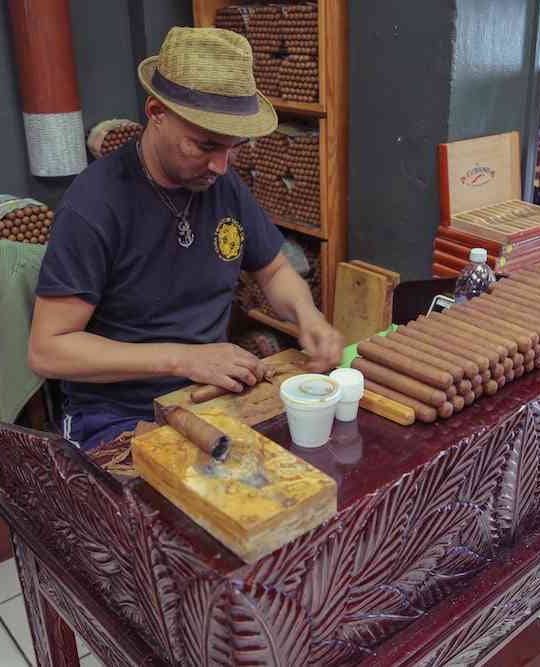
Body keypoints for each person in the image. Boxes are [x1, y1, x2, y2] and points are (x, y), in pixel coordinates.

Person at [28, 27, 344, 449]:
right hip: (117, 413)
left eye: (233, 148)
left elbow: (275, 268)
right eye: (205, 145)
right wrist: (185, 357)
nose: (220, 166)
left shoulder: (221, 183)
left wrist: (308, 316)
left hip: (211, 393)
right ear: (156, 112)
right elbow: (48, 350)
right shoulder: (94, 207)